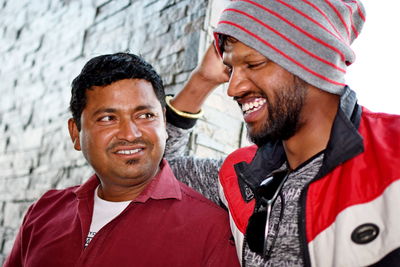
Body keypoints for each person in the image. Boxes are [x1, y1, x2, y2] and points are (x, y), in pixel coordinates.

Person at [165, 0, 400, 266]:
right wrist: (202, 80)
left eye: (253, 64)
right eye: (230, 70)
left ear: (313, 61)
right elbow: (153, 171)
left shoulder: (393, 156)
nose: (232, 89)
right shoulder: (240, 174)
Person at [4, 53, 240, 267]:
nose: (130, 134)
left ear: (164, 123)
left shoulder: (210, 229)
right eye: (108, 118)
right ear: (76, 133)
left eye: (146, 115)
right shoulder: (43, 211)